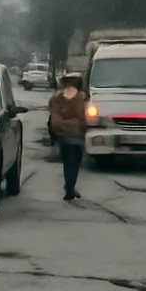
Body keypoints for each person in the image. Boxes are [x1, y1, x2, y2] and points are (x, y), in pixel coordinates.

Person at [48, 71, 87, 200]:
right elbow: (83, 117)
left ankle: (70, 186)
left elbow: (54, 119)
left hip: (66, 134)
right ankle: (70, 187)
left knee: (70, 162)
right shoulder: (81, 98)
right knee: (73, 162)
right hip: (72, 135)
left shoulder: (57, 98)